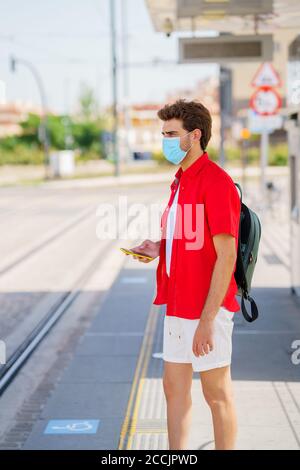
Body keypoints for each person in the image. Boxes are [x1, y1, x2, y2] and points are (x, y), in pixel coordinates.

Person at [129, 99, 241, 450]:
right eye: (162, 133)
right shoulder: (179, 183)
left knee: (216, 393)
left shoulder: (216, 182)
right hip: (177, 305)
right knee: (173, 389)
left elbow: (227, 255)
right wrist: (159, 248)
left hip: (207, 308)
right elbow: (191, 238)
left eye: (170, 134)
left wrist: (208, 320)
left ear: (195, 136)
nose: (164, 140)